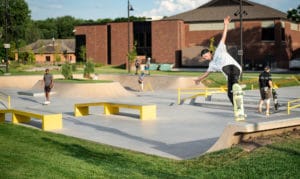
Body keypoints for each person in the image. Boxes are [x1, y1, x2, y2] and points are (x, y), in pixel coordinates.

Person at [194, 16, 242, 105]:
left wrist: (226, 25)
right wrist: (198, 79)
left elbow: (223, 37)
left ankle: (236, 85)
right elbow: (206, 74)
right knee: (229, 94)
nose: (206, 58)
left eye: (206, 55)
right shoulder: (212, 65)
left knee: (226, 68)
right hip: (230, 76)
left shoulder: (219, 50)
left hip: (234, 68)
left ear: (210, 53)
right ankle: (237, 107)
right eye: (204, 57)